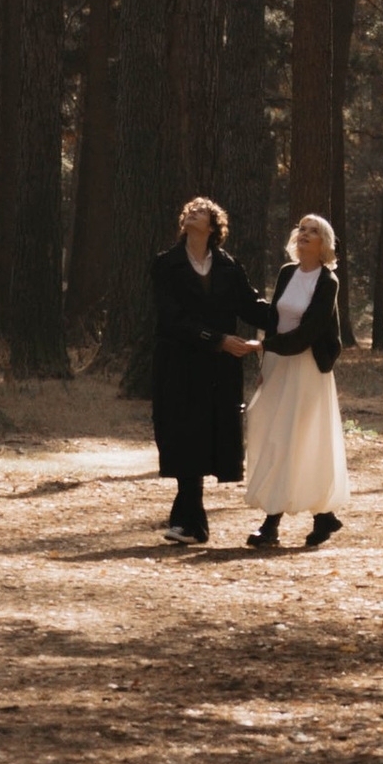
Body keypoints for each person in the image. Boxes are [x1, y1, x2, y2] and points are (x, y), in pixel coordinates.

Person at [150, 193, 261, 543]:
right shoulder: (166, 264)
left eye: (200, 212)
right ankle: (190, 523)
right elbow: (170, 319)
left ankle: (190, 524)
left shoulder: (228, 266)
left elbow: (252, 307)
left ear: (213, 226)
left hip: (218, 372)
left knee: (207, 437)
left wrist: (294, 312)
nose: (191, 215)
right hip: (179, 365)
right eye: (189, 212)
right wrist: (218, 339)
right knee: (184, 436)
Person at [242, 212, 349, 551]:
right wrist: (265, 359)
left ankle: (272, 524)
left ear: (324, 243)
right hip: (277, 362)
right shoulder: (288, 273)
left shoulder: (328, 281)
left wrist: (264, 345)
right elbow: (275, 319)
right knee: (273, 434)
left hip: (306, 368)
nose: (304, 234)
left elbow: (309, 332)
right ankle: (324, 517)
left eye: (312, 231)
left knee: (296, 439)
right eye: (301, 229)